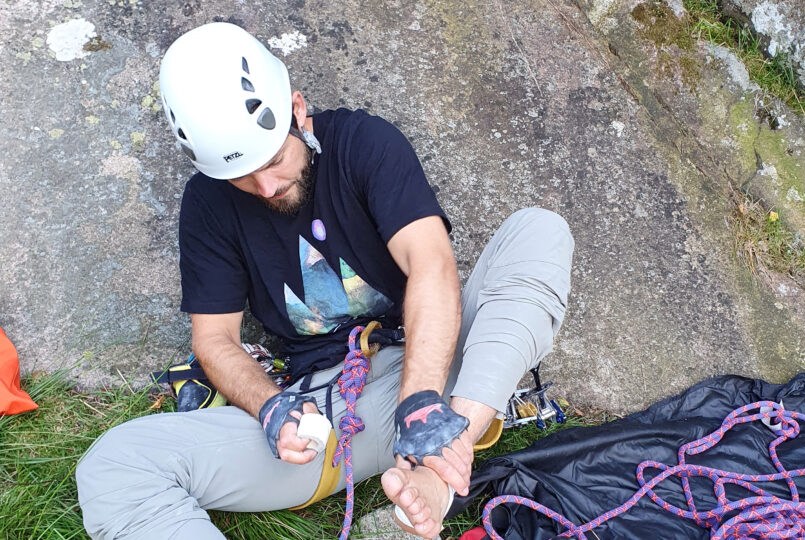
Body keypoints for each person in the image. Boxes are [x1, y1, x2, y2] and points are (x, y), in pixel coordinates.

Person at [75, 22, 573, 539]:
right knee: (114, 464)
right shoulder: (207, 205)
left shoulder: (364, 143)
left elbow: (432, 265)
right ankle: (422, 464)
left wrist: (422, 403)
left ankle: (439, 473)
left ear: (296, 111)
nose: (266, 187)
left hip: (437, 371)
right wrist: (270, 407)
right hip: (327, 414)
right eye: (243, 176)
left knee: (537, 231)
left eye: (273, 160)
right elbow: (214, 339)